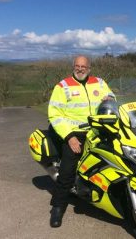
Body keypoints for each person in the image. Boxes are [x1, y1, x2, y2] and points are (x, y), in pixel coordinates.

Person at [47, 55, 115, 228]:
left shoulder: (99, 82)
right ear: (73, 67)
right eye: (77, 66)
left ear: (89, 68)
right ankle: (57, 206)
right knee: (68, 170)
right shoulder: (63, 86)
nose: (80, 69)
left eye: (83, 66)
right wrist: (70, 137)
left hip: (98, 130)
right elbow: (55, 114)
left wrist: (110, 99)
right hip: (74, 133)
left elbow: (111, 96)